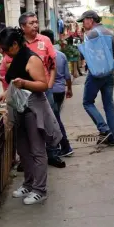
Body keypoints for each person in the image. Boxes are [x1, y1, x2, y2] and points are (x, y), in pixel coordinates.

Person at [0, 27, 62, 205]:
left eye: (5, 48)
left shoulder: (32, 58)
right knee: (23, 150)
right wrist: (6, 93)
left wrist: (24, 83)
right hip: (20, 108)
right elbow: (13, 82)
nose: (4, 52)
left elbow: (43, 85)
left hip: (33, 109)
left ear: (15, 44)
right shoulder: (16, 57)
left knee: (37, 150)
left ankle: (40, 189)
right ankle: (29, 183)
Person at [19, 12, 66, 168]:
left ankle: (53, 154)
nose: (35, 25)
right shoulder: (18, 43)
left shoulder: (45, 40)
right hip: (24, 91)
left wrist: (50, 83)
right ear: (22, 27)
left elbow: (52, 64)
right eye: (31, 23)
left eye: (36, 22)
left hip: (44, 90)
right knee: (28, 124)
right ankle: (29, 158)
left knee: (50, 121)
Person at [77, 10, 114, 146]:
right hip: (110, 73)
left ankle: (104, 129)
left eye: (84, 20)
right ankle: (113, 139)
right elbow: (113, 54)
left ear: (90, 20)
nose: (83, 23)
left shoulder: (90, 34)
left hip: (96, 74)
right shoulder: (109, 33)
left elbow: (86, 56)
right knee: (109, 105)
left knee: (87, 102)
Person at [41, 29, 74, 157]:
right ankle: (56, 147)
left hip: (49, 91)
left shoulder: (41, 55)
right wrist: (69, 89)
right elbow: (67, 76)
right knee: (54, 118)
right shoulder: (61, 55)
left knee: (54, 120)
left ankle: (65, 146)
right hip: (59, 91)